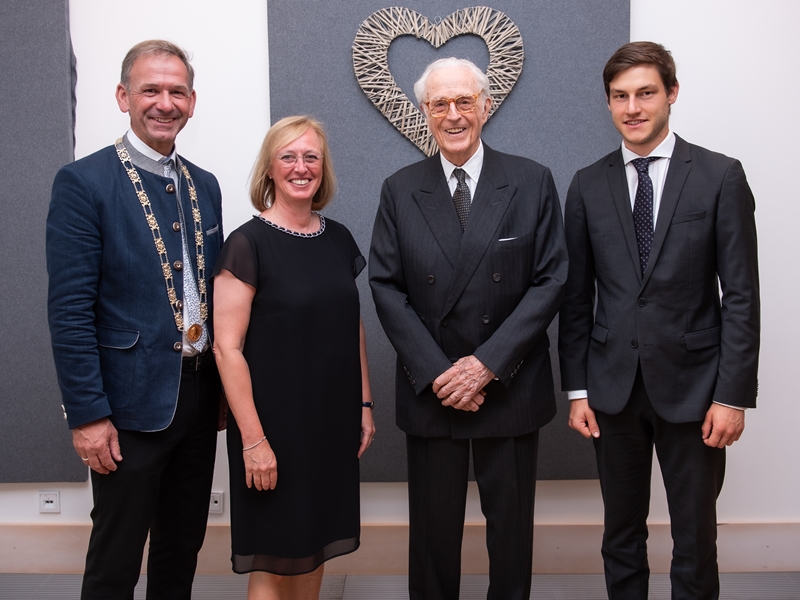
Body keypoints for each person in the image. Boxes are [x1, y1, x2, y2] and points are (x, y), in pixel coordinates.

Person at [558, 41, 760, 599]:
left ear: (671, 94)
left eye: (646, 93)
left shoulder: (720, 177)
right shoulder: (587, 184)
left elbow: (741, 295)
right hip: (610, 391)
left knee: (695, 538)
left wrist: (733, 396)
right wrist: (577, 389)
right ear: (608, 104)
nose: (633, 108)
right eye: (620, 97)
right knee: (620, 533)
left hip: (697, 390)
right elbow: (575, 299)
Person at [369, 57, 568, 600]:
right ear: (423, 112)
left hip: (508, 383)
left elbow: (552, 279)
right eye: (439, 103)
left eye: (464, 102)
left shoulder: (531, 180)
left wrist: (485, 366)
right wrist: (441, 373)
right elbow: (385, 287)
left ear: (485, 105)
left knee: (511, 538)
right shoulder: (399, 189)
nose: (453, 114)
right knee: (432, 540)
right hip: (435, 390)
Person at [46, 40, 224, 599]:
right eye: (151, 90)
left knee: (181, 549)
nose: (164, 103)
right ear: (124, 97)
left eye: (176, 92)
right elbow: (70, 311)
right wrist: (87, 414)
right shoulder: (83, 183)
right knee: (117, 556)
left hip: (198, 401)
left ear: (192, 102)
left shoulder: (207, 184)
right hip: (124, 409)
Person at [212, 115, 376, 600]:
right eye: (288, 156)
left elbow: (352, 326)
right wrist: (253, 440)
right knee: (275, 556)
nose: (300, 167)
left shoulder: (339, 238)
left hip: (329, 423)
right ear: (269, 169)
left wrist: (363, 405)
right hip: (273, 429)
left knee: (315, 546)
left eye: (311, 157)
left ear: (323, 170)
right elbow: (227, 348)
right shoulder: (247, 244)